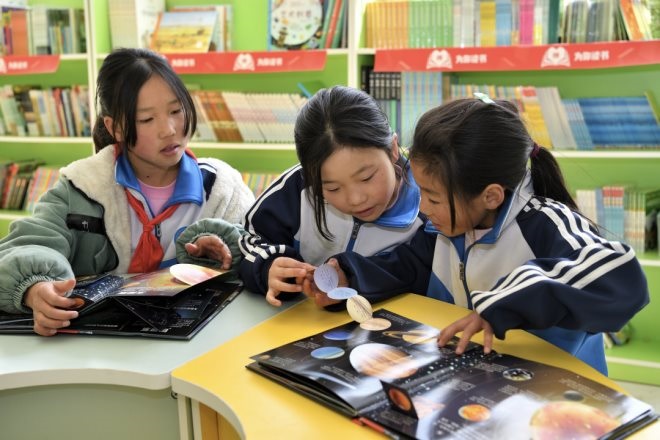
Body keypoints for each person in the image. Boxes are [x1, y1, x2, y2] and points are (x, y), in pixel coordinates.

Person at [307, 95, 649, 375]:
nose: (423, 207)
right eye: (422, 193)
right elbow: (405, 266)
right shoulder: (443, 228)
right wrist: (349, 273)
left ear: (490, 196)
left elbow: (620, 274)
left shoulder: (545, 225)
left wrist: (502, 303)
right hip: (482, 379)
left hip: (557, 391)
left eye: (434, 198)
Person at [0, 48, 255, 336]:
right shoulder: (82, 188)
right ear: (115, 127)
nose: (169, 130)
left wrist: (226, 249)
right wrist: (34, 288)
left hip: (201, 346)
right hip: (97, 351)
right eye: (146, 119)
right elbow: (27, 245)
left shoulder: (221, 188)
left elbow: (261, 251)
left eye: (176, 111)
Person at [238, 85, 425, 306]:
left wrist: (352, 276)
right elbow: (250, 239)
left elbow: (416, 270)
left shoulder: (429, 202)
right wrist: (267, 267)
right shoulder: (297, 187)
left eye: (366, 178)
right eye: (333, 188)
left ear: (393, 149)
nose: (355, 199)